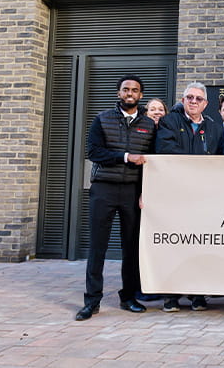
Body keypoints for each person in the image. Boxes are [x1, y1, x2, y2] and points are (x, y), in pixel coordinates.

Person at [75, 75, 156, 321]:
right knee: (97, 247)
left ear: (141, 95)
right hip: (104, 188)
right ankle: (92, 301)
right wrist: (125, 156)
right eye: (125, 89)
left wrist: (146, 191)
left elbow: (152, 162)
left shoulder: (149, 125)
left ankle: (128, 297)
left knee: (131, 247)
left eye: (135, 90)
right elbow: (94, 152)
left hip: (132, 191)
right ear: (119, 93)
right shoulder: (102, 119)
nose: (130, 93)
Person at [155, 82, 224, 313]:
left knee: (199, 244)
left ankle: (197, 295)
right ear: (183, 100)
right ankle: (171, 297)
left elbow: (221, 159)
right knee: (174, 244)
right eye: (189, 97)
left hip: (203, 196)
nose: (193, 101)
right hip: (175, 194)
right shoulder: (169, 122)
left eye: (198, 99)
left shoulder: (215, 128)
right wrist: (197, 165)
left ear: (205, 103)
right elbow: (166, 151)